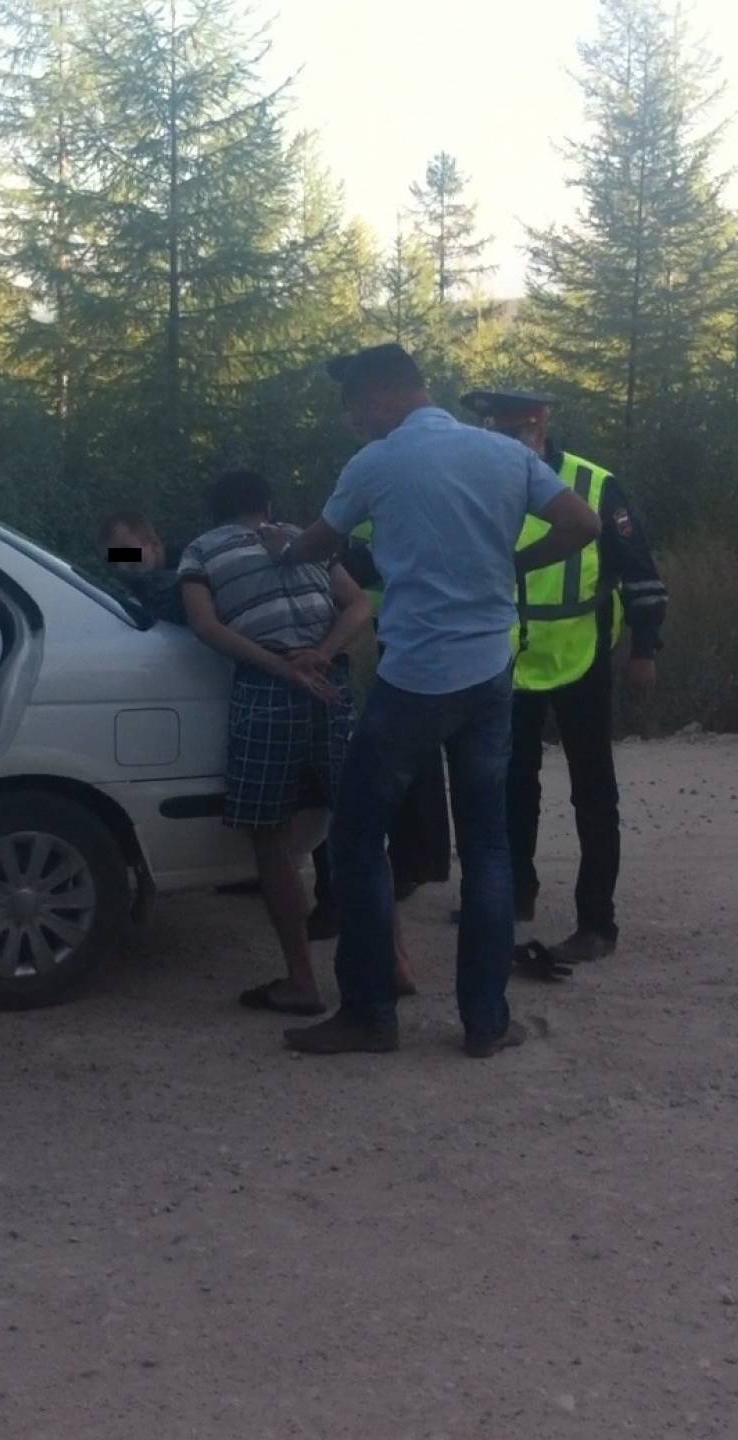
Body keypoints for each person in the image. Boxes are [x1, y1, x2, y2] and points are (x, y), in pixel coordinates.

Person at [260, 344, 601, 1057]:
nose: (355, 424)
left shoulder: (377, 463)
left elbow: (316, 546)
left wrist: (280, 546)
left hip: (416, 678)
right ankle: (486, 1022)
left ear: (382, 396)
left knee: (356, 837)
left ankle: (369, 1014)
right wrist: (513, 564)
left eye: (354, 410)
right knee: (487, 846)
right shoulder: (504, 454)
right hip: (490, 672)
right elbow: (583, 524)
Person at [178, 468, 403, 1016]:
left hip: (265, 695)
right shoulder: (305, 539)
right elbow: (360, 604)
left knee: (271, 840)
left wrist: (281, 667)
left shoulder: (200, 551)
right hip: (332, 688)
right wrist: (321, 654)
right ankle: (396, 964)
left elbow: (205, 626)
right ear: (267, 502)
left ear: (214, 509)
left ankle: (302, 981)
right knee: (361, 828)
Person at [460, 387, 668, 962]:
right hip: (508, 661)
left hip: (582, 657)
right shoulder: (480, 483)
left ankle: (597, 923)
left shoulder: (592, 484)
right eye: (495, 430)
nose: (504, 439)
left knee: (593, 792)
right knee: (511, 784)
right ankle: (515, 893)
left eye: (514, 429)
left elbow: (639, 571)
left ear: (540, 424)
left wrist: (644, 648)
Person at [308, 521, 453, 941]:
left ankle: (410, 863)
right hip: (383, 634)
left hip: (411, 634)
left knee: (396, 756)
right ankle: (408, 863)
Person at [97, 510, 189, 627]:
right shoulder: (122, 603)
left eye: (126, 553)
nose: (122, 566)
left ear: (154, 542)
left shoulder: (197, 567)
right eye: (113, 562)